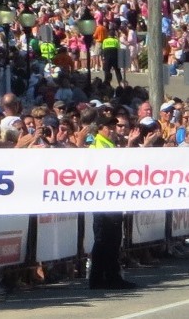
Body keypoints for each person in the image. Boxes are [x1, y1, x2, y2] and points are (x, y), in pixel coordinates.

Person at [88, 115, 136, 289]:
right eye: (109, 127)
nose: (113, 130)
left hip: (112, 198)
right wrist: (129, 147)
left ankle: (107, 276)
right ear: (100, 128)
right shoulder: (100, 145)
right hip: (104, 199)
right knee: (105, 240)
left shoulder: (108, 145)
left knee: (112, 239)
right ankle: (103, 277)